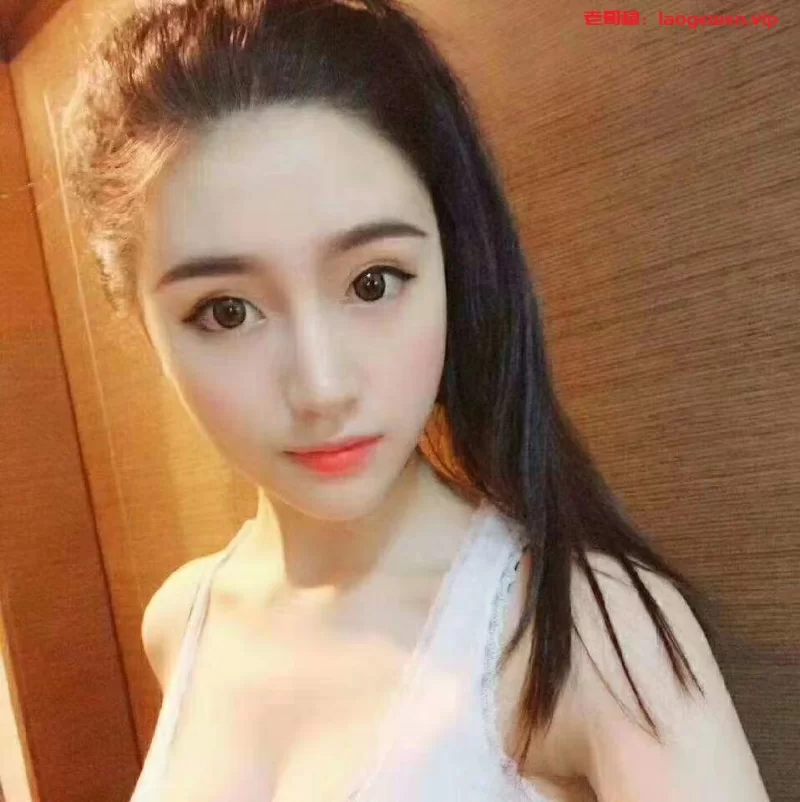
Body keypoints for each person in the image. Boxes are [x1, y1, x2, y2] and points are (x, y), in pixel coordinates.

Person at [61, 0, 770, 800]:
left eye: (373, 283)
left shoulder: (580, 635)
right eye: (227, 311)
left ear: (453, 267)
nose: (323, 388)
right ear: (140, 320)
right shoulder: (181, 620)